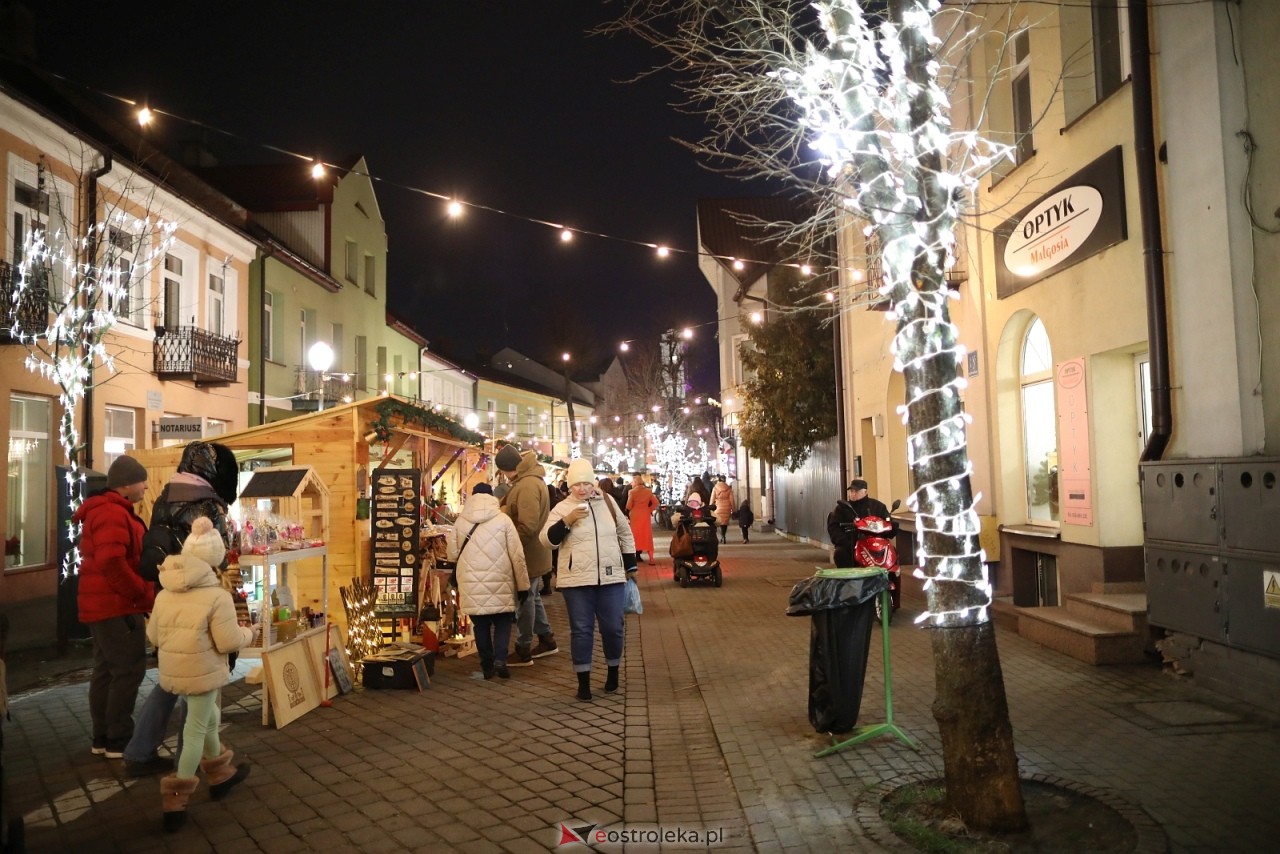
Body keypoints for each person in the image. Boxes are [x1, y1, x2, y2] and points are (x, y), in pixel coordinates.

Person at [124, 441, 236, 778]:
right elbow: (219, 554)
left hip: (169, 593)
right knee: (199, 682)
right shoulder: (207, 504)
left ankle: (139, 751)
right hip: (200, 594)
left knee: (170, 678)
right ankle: (189, 766)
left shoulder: (165, 497)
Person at [149, 516, 253, 832]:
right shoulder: (216, 596)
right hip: (202, 670)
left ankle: (221, 773)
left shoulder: (165, 591)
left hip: (174, 669)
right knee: (195, 728)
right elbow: (228, 641)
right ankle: (176, 797)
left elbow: (153, 636)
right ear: (216, 558)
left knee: (208, 716)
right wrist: (250, 633)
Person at [74, 455, 156, 760]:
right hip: (116, 606)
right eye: (142, 481)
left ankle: (103, 737)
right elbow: (112, 562)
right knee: (127, 670)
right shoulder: (112, 513)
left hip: (102, 604)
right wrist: (139, 592)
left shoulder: (107, 510)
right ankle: (119, 738)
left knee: (106, 671)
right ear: (126, 484)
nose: (145, 486)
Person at [540, 458, 637, 702]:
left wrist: (630, 564)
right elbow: (547, 541)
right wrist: (567, 521)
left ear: (593, 482)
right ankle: (583, 683)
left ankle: (613, 672)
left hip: (610, 577)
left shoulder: (608, 501)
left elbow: (624, 532)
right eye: (576, 484)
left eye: (586, 483)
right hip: (577, 581)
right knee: (582, 631)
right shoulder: (562, 508)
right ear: (569, 485)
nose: (582, 489)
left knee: (613, 628)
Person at [450, 483, 530, 680]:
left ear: (472, 497)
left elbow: (452, 554)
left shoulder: (460, 521)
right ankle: (500, 660)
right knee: (503, 623)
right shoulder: (503, 520)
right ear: (492, 496)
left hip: (471, 582)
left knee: (480, 626)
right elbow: (517, 556)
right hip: (501, 580)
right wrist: (523, 586)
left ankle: (486, 666)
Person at [494, 445, 558, 666]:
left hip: (528, 552)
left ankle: (523, 648)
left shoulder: (527, 485)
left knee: (525, 599)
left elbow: (527, 526)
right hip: (534, 551)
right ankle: (547, 639)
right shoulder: (529, 480)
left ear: (506, 469)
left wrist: (510, 545)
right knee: (532, 596)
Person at [827, 479, 895, 568]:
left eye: (856, 491)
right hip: (851, 544)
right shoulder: (842, 508)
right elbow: (833, 527)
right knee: (841, 553)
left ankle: (890, 574)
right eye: (852, 491)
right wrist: (845, 541)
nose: (853, 494)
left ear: (865, 492)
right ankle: (849, 576)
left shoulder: (878, 506)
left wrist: (892, 527)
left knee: (891, 551)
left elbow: (887, 523)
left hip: (874, 544)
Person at [625, 473, 658, 565]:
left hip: (635, 516)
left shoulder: (632, 492)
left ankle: (633, 558)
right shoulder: (648, 491)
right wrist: (649, 510)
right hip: (645, 515)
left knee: (635, 536)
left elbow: (628, 506)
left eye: (632, 482)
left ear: (635, 482)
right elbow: (656, 502)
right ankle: (651, 559)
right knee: (647, 535)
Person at [710, 475, 735, 545]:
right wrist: (733, 509)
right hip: (727, 507)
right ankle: (723, 536)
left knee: (719, 522)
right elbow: (732, 500)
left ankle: (720, 536)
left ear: (719, 480)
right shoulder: (728, 488)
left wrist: (710, 507)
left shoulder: (715, 488)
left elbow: (712, 499)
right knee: (725, 523)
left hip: (718, 507)